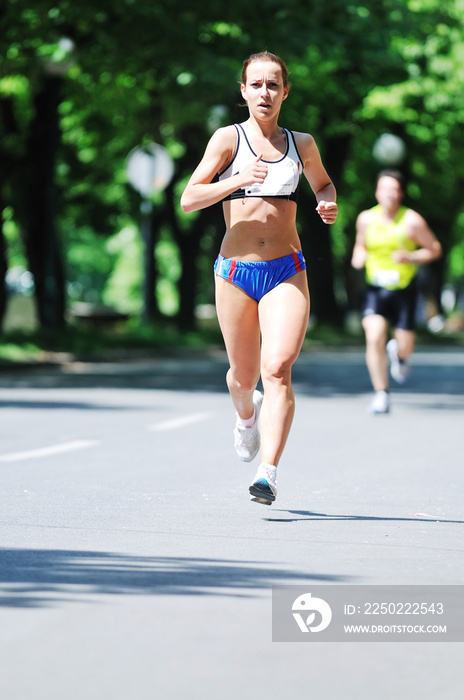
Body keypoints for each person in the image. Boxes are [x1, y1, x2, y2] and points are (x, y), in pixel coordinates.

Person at [181, 51, 337, 505]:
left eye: (274, 85)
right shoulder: (228, 140)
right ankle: (245, 417)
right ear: (244, 91)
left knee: (278, 368)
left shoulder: (301, 143)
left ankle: (268, 473)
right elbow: (190, 198)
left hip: (287, 269)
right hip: (235, 273)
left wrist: (327, 203)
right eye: (257, 85)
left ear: (285, 91)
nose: (265, 93)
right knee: (244, 377)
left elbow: (323, 184)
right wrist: (235, 180)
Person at [351, 169, 442, 414]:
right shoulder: (366, 219)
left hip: (403, 289)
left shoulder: (411, 220)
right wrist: (358, 258)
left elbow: (434, 249)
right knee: (374, 335)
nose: (389, 194)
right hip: (375, 288)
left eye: (394, 189)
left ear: (400, 193)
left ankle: (400, 356)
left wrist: (411, 256)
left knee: (405, 345)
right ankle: (381, 393)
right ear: (377, 192)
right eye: (384, 188)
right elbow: (360, 246)